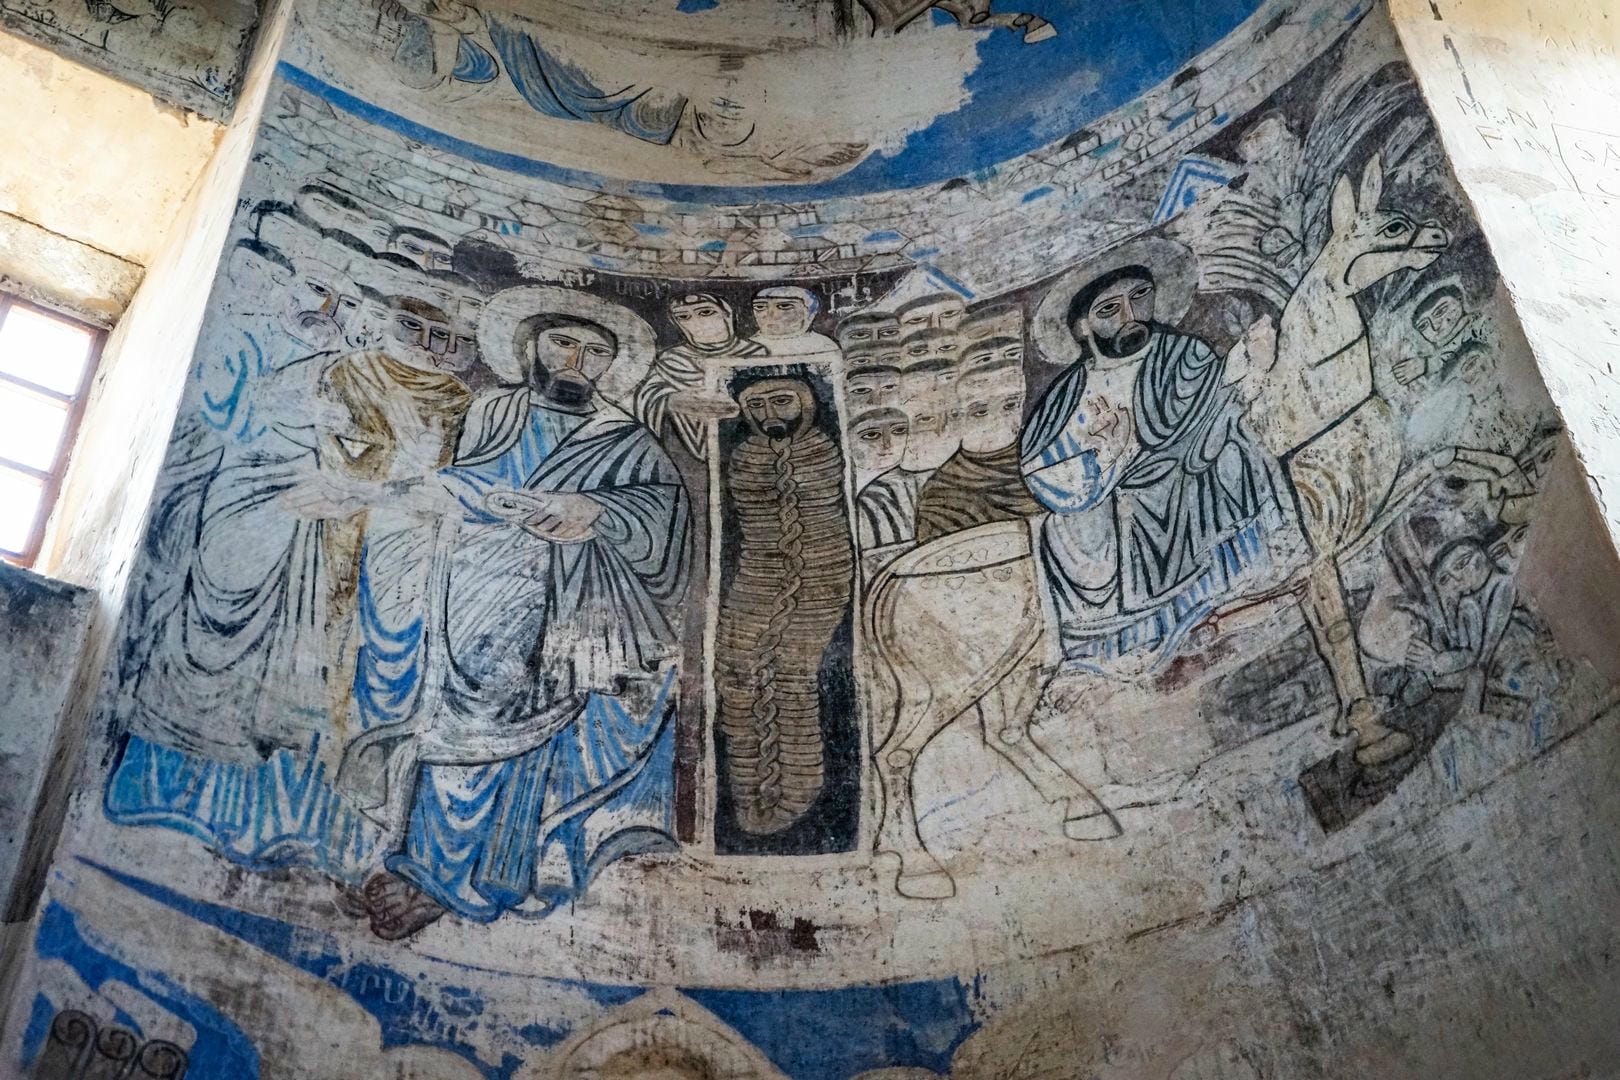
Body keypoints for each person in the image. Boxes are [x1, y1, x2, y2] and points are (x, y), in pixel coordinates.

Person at [342, 290, 691, 938]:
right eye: (564, 344)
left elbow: (664, 518)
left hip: (559, 604)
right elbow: (466, 475)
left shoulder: (625, 438)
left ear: (611, 365)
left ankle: (471, 878)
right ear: (532, 347)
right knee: (447, 733)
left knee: (523, 742)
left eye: (594, 352)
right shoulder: (494, 410)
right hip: (468, 591)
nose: (576, 360)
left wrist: (597, 511)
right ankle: (420, 864)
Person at [1021, 241, 1281, 672]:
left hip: (1187, 479)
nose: (1130, 316)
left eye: (1140, 297)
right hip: (1112, 497)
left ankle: (1225, 602)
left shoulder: (1186, 354)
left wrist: (1248, 368)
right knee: (1066, 531)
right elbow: (1039, 465)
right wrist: (1106, 456)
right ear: (1083, 327)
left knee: (1230, 458)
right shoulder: (1066, 394)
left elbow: (1212, 415)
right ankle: (1129, 646)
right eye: (1110, 309)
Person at [914, 352, 1040, 543]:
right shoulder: (942, 492)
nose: (997, 419)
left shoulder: (1040, 466)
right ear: (956, 418)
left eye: (1010, 405)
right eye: (980, 412)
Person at [632, 293, 765, 461]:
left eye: (705, 312)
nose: (696, 322)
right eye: (683, 317)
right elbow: (646, 397)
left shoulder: (757, 353)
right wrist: (673, 401)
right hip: (686, 450)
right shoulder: (671, 359)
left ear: (727, 314)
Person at [750, 286, 839, 361]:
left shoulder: (822, 345)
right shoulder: (747, 347)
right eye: (760, 307)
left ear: (807, 312)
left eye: (784, 306)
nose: (770, 313)